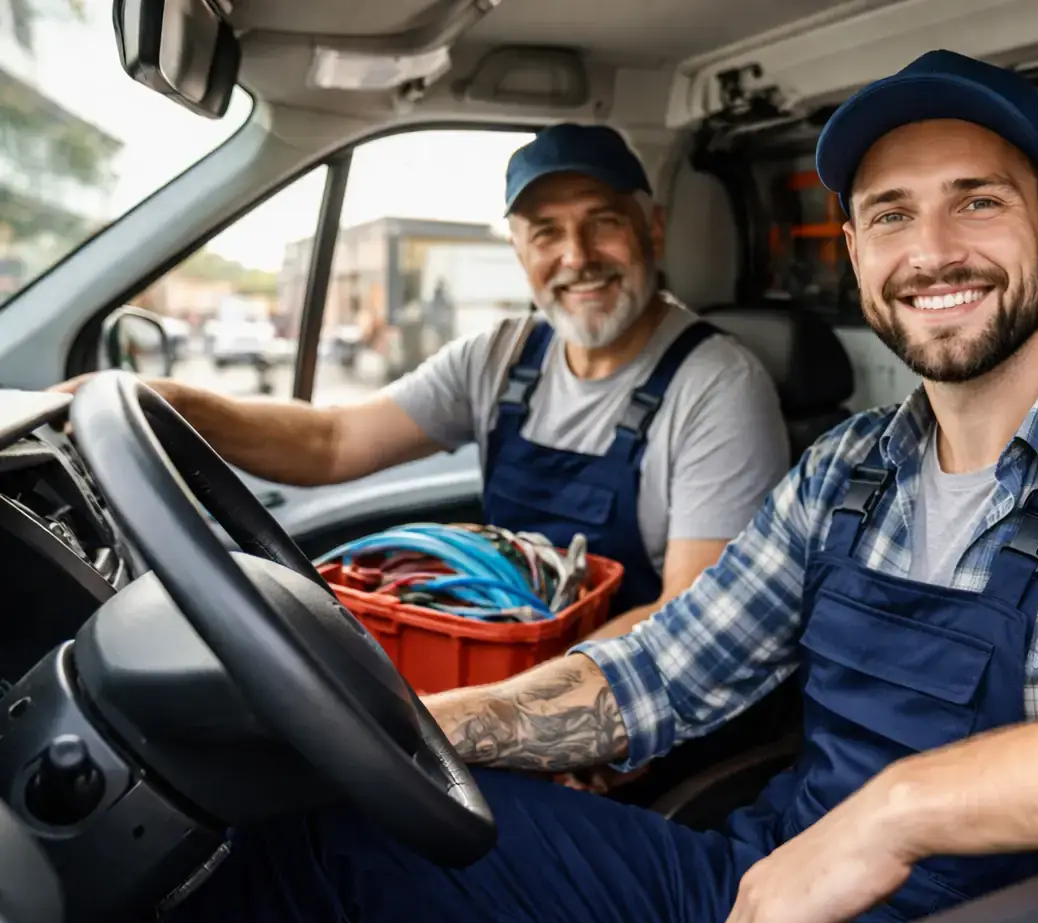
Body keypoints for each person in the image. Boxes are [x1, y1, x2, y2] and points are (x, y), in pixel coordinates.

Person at [95, 50, 1038, 923]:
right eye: (890, 213)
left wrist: (904, 809)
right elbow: (648, 680)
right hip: (757, 876)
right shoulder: (854, 467)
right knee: (328, 844)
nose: (931, 244)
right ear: (857, 254)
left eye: (978, 202)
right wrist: (395, 730)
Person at [56, 123, 790, 639]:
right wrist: (168, 402)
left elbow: (697, 614)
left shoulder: (717, 384)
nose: (577, 256)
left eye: (603, 224)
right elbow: (332, 442)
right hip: (503, 652)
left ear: (651, 231)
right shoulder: (502, 355)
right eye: (546, 233)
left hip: (627, 696)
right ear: (518, 249)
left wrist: (530, 694)